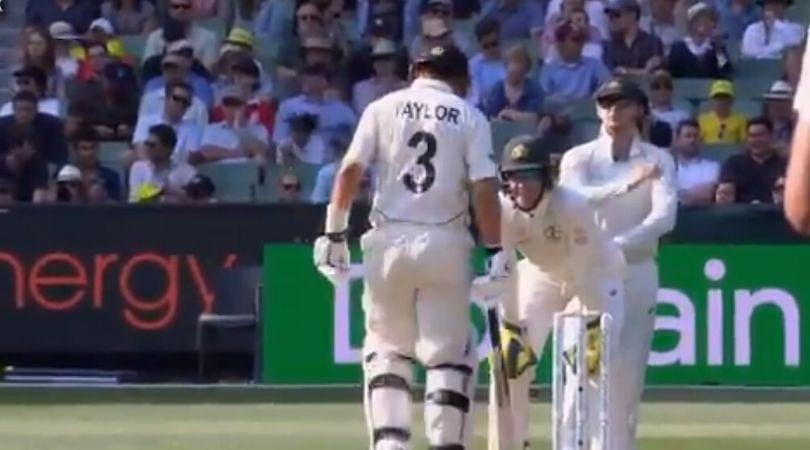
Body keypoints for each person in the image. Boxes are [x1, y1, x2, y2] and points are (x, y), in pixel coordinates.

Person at [312, 44, 507, 450]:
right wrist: (496, 251)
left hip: (388, 241)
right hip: (446, 242)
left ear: (417, 70)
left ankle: (390, 442)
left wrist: (334, 233)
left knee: (387, 348)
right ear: (462, 80)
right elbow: (485, 186)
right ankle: (445, 442)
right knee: (447, 355)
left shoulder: (383, 107)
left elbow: (350, 169)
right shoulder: (470, 116)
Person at [480, 134, 626, 450]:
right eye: (513, 177)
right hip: (542, 274)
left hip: (598, 279)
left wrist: (590, 326)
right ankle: (508, 444)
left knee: (589, 370)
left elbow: (584, 272)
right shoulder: (502, 210)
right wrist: (511, 326)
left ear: (547, 177)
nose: (520, 185)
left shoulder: (572, 206)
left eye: (529, 175)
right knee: (510, 366)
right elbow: (503, 269)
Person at [559, 77, 678, 450]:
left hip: (637, 271)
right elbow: (575, 201)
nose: (612, 110)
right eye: (605, 103)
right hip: (587, 276)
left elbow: (664, 218)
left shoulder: (658, 160)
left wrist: (616, 245)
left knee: (626, 380)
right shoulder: (578, 158)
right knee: (582, 373)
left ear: (638, 110)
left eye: (621, 103)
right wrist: (626, 186)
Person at [273, 64, 357, 153]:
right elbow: (279, 142)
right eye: (305, 78)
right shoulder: (288, 107)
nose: (306, 81)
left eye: (312, 77)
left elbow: (356, 142)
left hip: (332, 161)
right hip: (298, 161)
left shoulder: (343, 111)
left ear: (324, 81)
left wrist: (341, 142)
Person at [539, 22, 611, 110]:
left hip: (587, 113)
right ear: (560, 44)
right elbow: (543, 99)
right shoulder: (549, 70)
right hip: (559, 115)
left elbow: (609, 85)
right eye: (575, 39)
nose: (581, 43)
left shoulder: (593, 65)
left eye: (581, 39)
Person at [191, 85, 270, 165]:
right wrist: (237, 153)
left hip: (247, 172)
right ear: (222, 107)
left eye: (236, 104)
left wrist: (239, 128)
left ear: (245, 106)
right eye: (228, 104)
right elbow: (206, 152)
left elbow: (262, 152)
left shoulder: (259, 129)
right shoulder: (212, 129)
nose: (232, 108)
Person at [131, 80, 204, 164]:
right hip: (148, 169)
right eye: (176, 99)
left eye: (185, 102)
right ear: (166, 98)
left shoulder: (193, 129)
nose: (180, 104)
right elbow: (140, 148)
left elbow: (188, 158)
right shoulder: (146, 121)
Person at [720, 116, 786, 203]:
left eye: (760, 135)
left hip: (774, 213)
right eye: (752, 136)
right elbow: (726, 192)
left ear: (772, 136)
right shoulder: (734, 163)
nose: (756, 140)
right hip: (741, 214)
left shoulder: (785, 164)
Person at [129, 123, 197, 203]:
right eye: (146, 143)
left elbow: (197, 201)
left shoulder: (187, 172)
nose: (147, 148)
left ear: (168, 149)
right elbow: (136, 199)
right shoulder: (138, 168)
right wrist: (163, 196)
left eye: (152, 145)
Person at [142, 0, 218, 70]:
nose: (180, 10)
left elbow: (208, 72)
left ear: (193, 10)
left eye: (186, 7)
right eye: (175, 7)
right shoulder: (155, 38)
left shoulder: (208, 38)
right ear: (169, 10)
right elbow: (147, 69)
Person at [0, 91, 68, 166]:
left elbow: (60, 155)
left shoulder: (51, 124)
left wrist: (34, 157)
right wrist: (8, 159)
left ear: (36, 110)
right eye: (19, 110)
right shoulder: (2, 125)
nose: (24, 114)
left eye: (28, 110)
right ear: (13, 110)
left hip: (43, 168)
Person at [667, 2, 732, 78]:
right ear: (692, 23)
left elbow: (725, 70)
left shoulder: (716, 48)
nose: (708, 24)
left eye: (710, 20)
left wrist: (719, 50)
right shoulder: (678, 49)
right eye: (702, 20)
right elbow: (672, 75)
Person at [603, 0, 665, 76]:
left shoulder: (652, 42)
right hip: (620, 86)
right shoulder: (610, 44)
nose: (612, 19)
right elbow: (612, 71)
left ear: (632, 15)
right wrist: (643, 72)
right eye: (610, 16)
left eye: (617, 15)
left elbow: (655, 72)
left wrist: (627, 71)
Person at [484, 44, 542, 124]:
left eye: (518, 73)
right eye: (511, 72)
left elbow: (535, 117)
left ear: (525, 69)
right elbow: (490, 116)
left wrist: (511, 115)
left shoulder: (533, 88)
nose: (513, 74)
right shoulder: (497, 89)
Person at [351, 39, 407, 114]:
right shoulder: (361, 88)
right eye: (377, 59)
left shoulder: (405, 88)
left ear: (395, 62)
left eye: (387, 59)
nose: (382, 63)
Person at [671, 119, 719, 205]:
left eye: (695, 136)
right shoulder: (667, 166)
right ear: (677, 140)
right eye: (688, 136)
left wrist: (676, 194)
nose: (692, 140)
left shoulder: (712, 167)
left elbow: (707, 194)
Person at [70, 126, 122, 202]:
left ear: (98, 148)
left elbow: (117, 206)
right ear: (75, 151)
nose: (90, 153)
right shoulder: (64, 175)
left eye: (92, 148)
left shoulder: (111, 176)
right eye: (84, 148)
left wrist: (102, 196)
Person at [0, 134, 52, 203]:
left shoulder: (38, 163)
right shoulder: (3, 164)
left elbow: (38, 195)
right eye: (16, 147)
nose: (32, 151)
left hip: (26, 208)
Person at [468, 19, 507, 109]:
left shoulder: (510, 60)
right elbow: (474, 95)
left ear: (501, 40)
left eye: (494, 44)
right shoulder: (473, 64)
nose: (491, 49)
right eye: (486, 46)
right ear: (479, 45)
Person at [698, 79, 747, 144]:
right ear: (711, 100)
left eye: (725, 97)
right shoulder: (702, 120)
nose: (721, 101)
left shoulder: (741, 120)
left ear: (732, 100)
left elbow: (743, 142)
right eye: (718, 98)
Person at [648, 70, 690, 134]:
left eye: (667, 86)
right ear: (650, 91)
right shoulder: (643, 114)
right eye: (657, 87)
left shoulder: (683, 117)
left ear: (672, 91)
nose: (662, 90)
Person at [479, 0, 545, 41]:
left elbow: (536, 36)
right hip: (494, 53)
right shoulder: (491, 7)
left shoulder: (533, 8)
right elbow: (480, 34)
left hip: (520, 54)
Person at [26, 0, 100, 34]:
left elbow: (99, 30)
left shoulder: (91, 3)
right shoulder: (37, 3)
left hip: (83, 54)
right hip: (47, 54)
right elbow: (30, 30)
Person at [762, 80, 795, 150]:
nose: (778, 106)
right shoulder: (760, 125)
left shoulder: (799, 126)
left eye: (782, 102)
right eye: (774, 101)